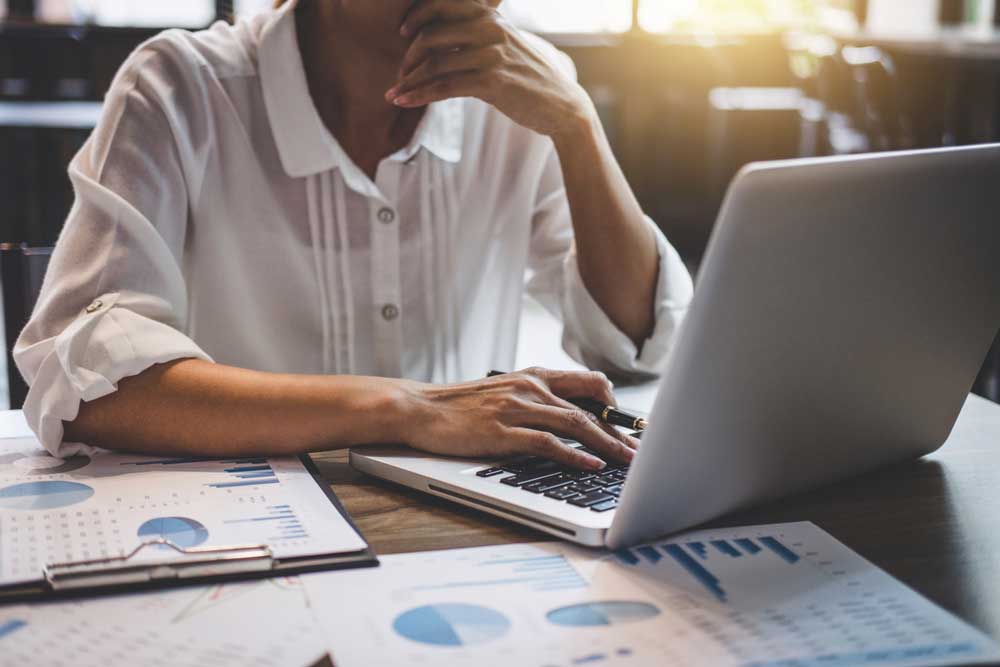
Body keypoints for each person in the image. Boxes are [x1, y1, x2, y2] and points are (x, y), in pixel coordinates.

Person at [15, 0, 693, 469]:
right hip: (252, 535)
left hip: (464, 530)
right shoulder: (180, 89)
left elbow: (633, 345)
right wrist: (407, 406)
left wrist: (577, 127)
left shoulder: (524, 93)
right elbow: (85, 382)